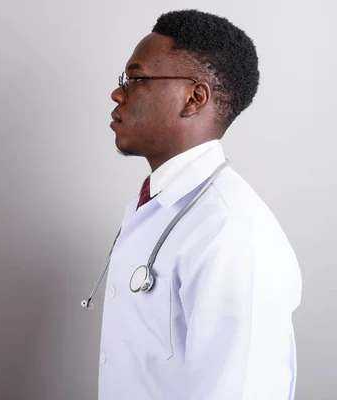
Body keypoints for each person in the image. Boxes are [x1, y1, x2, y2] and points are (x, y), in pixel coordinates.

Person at [99, 9, 302, 400]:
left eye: (136, 79)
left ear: (194, 98)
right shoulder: (156, 205)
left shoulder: (233, 232)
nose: (117, 92)